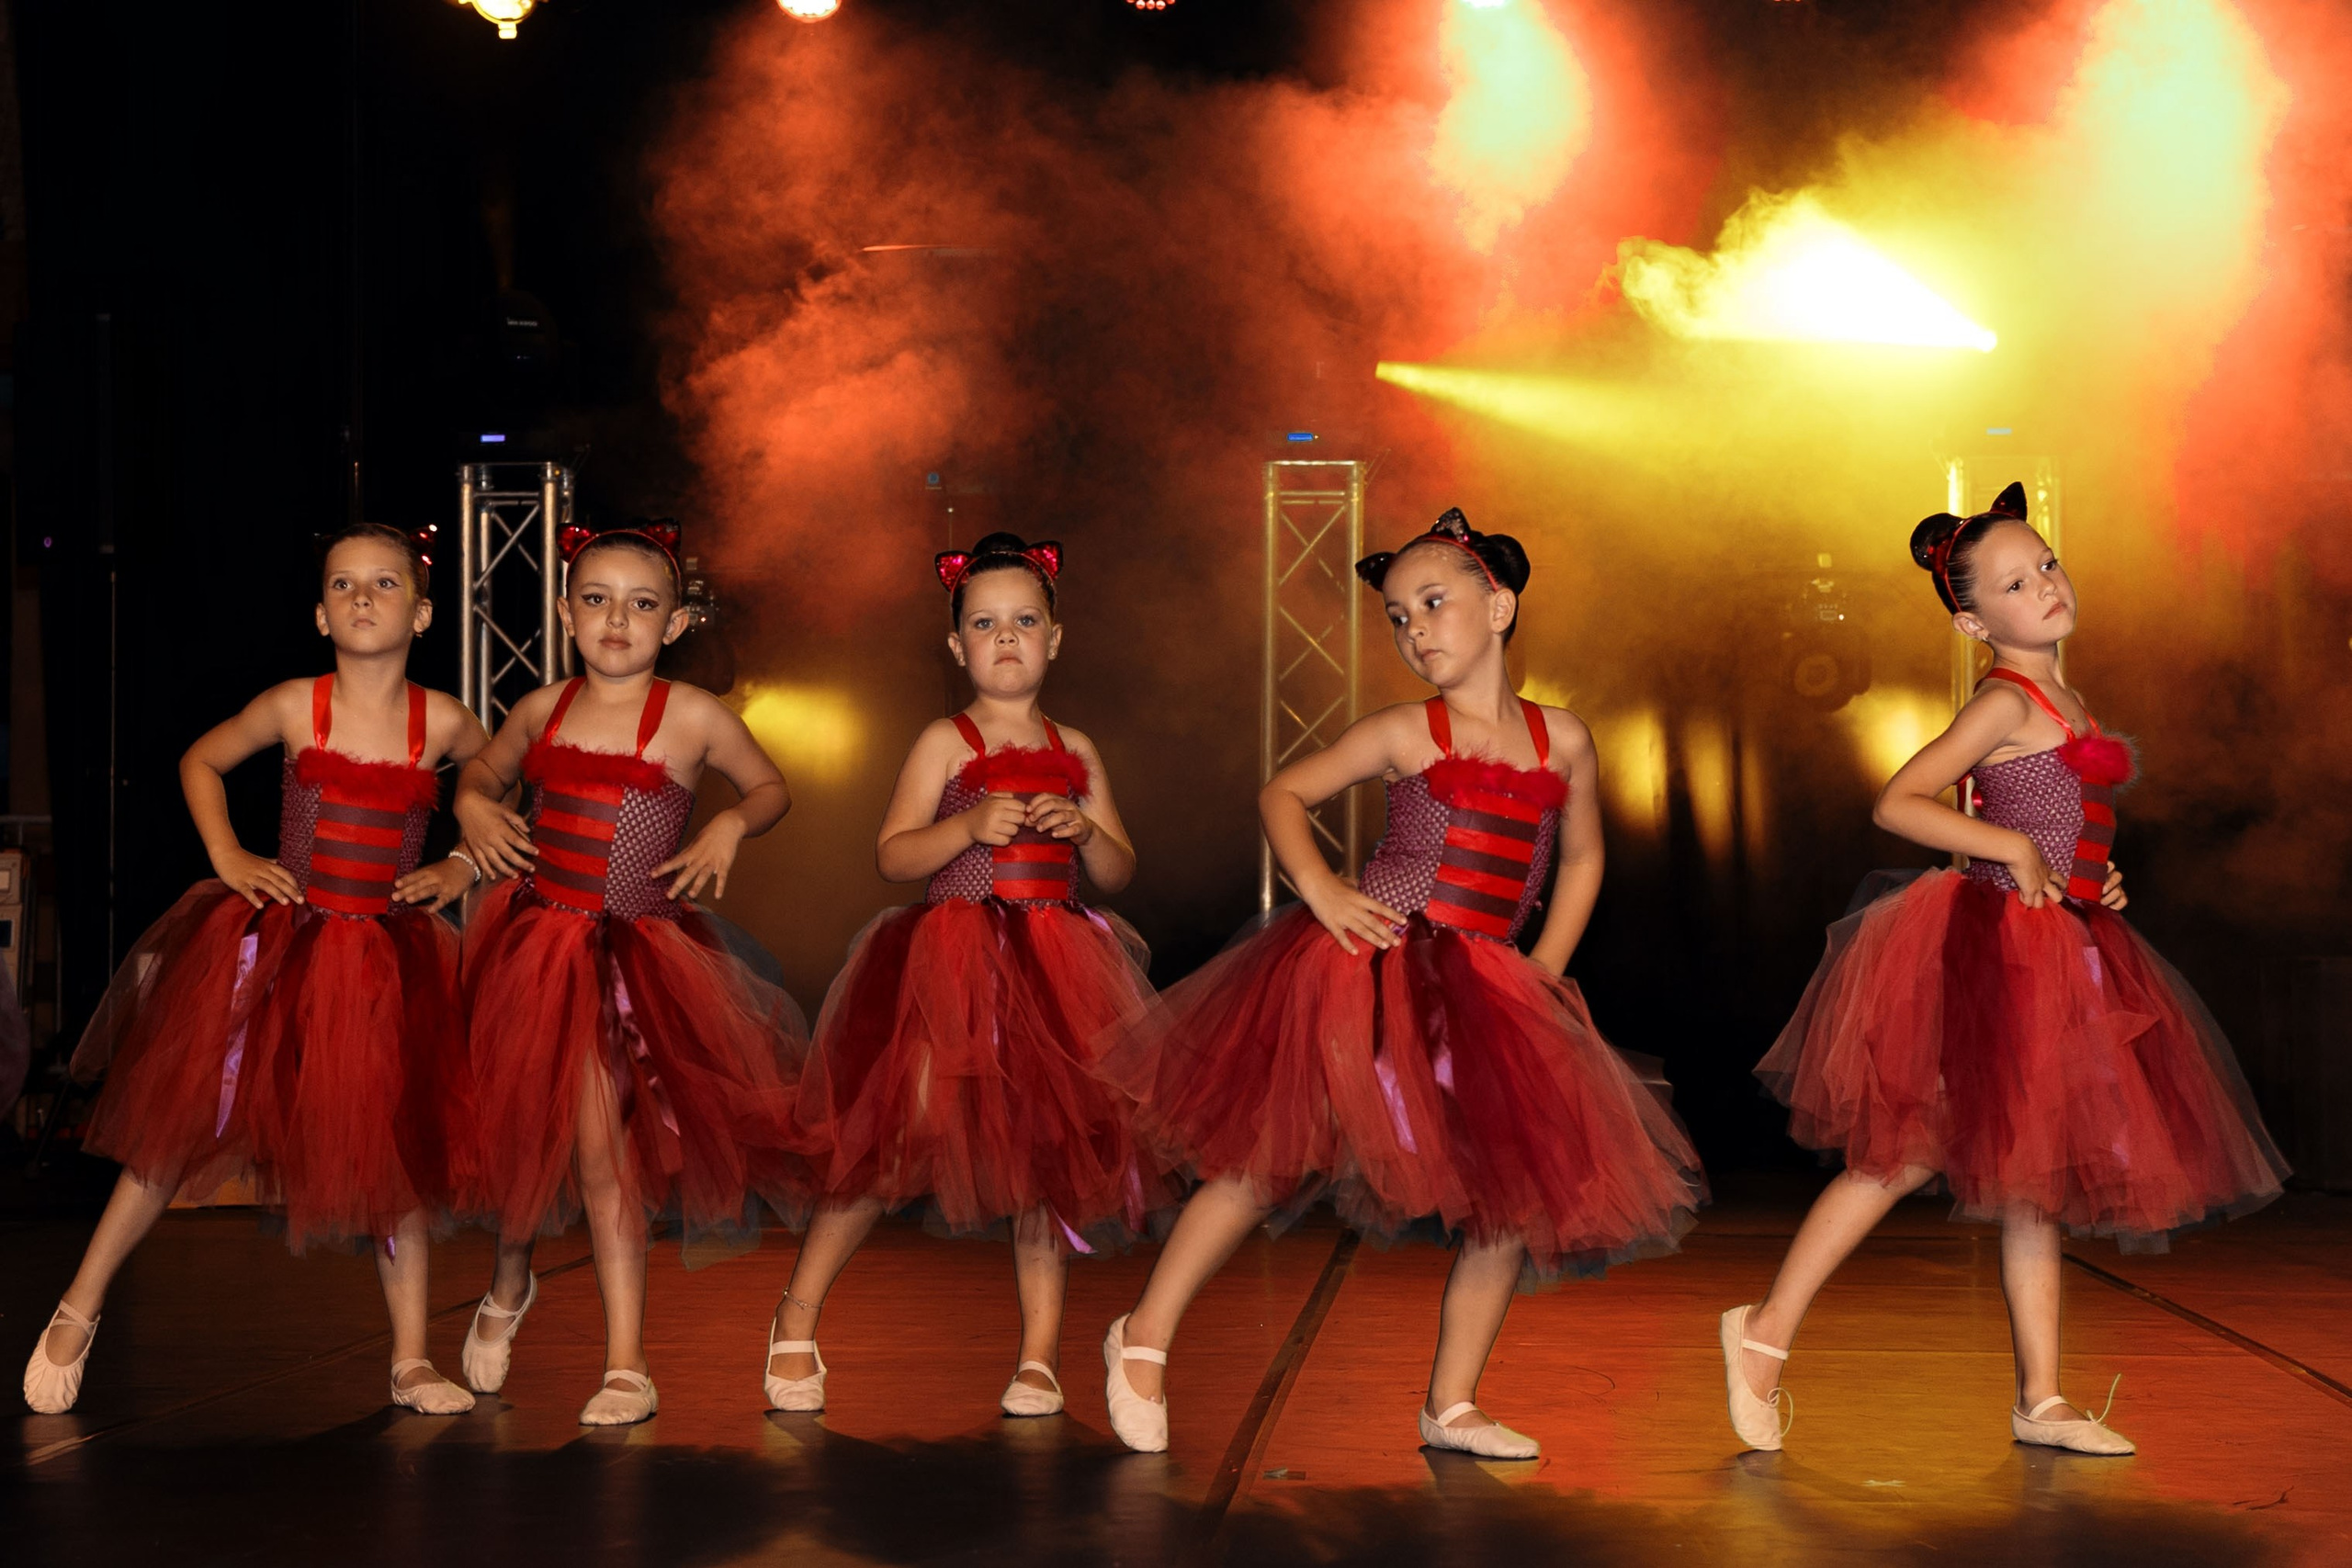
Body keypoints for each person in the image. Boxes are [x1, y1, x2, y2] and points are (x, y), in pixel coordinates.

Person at [1100, 509, 1704, 1457]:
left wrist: (1543, 972)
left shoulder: (1564, 739)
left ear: (1499, 608)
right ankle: (1142, 1337)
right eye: (1396, 617)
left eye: (1432, 603)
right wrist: (1323, 889)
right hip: (1371, 967)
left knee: (1511, 1191)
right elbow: (1282, 794)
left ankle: (1450, 1404)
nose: (1413, 629)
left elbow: (1582, 859)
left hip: (1487, 987)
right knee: (1268, 1157)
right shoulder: (1402, 731)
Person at [1722, 483, 2288, 1457]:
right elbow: (1900, 801)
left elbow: (2061, 820)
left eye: (2048, 565)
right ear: (1974, 621)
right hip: (1994, 950)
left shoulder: (2071, 701)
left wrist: (2095, 878)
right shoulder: (2002, 700)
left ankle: (2042, 1398)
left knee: (2033, 1174)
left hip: (2063, 944)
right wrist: (2014, 850)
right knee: (1904, 1153)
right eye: (2016, 584)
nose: (2047, 586)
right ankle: (1762, 1334)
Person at [24, 524, 488, 1416]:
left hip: (385, 959)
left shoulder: (446, 721)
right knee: (179, 1126)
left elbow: (496, 782)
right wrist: (228, 853)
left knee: (392, 1151)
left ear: (424, 614)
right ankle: (79, 1304)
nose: (362, 597)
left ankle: (411, 1358)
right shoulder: (293, 704)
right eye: (343, 584)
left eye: (384, 584)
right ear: (319, 614)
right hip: (280, 945)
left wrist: (463, 863)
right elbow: (200, 759)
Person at [764, 532, 1159, 1419]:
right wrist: (967, 827)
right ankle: (796, 1314)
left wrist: (1087, 832)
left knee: (1045, 1156)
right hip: (951, 963)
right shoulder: (946, 739)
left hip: (1056, 968)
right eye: (984, 623)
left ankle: (1039, 1355)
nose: (1006, 636)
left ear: (1056, 638)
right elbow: (893, 853)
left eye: (1025, 621)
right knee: (890, 1135)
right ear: (957, 646)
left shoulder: (1076, 746)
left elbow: (1120, 869)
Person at [452, 522, 808, 1427]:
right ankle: (509, 1277)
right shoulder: (542, 707)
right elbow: (483, 772)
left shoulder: (694, 715)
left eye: (642, 604)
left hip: (637, 959)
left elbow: (770, 788)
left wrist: (728, 823)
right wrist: (472, 805)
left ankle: (626, 1365)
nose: (617, 619)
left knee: (602, 1157)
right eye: (597, 600)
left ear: (675, 623)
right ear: (567, 611)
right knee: (527, 1140)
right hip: (537, 949)